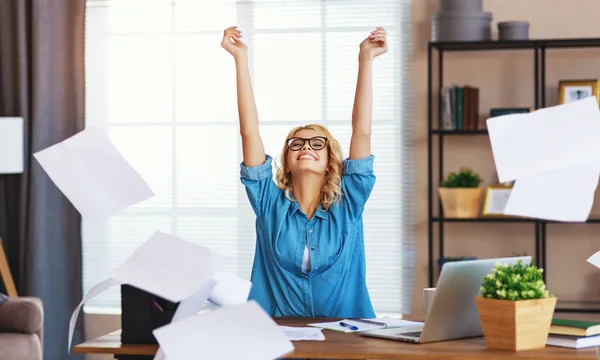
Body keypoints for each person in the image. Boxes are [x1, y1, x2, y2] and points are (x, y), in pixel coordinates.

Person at [221, 25, 388, 318]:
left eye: (316, 143)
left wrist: (366, 58)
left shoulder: (348, 203)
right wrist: (239, 59)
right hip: (277, 334)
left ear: (330, 160)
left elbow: (362, 133)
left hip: (345, 336)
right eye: (296, 143)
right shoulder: (268, 203)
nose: (305, 146)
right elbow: (249, 134)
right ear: (286, 159)